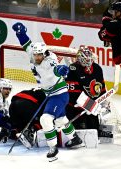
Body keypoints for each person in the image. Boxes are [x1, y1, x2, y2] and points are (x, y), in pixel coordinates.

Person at [12, 22, 83, 161]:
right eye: (35, 55)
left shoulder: (50, 60)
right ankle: (75, 138)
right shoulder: (34, 55)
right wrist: (20, 33)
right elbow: (26, 44)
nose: (36, 57)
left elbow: (56, 68)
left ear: (44, 54)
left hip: (59, 94)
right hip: (50, 94)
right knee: (61, 119)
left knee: (46, 119)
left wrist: (61, 70)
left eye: (39, 55)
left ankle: (53, 147)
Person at [65, 46, 109, 136]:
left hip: (91, 105)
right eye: (85, 59)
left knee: (94, 129)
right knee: (76, 130)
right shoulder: (73, 69)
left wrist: (103, 103)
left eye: (89, 58)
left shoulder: (97, 68)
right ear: (79, 59)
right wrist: (89, 105)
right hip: (74, 106)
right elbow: (73, 95)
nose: (88, 61)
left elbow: (102, 88)